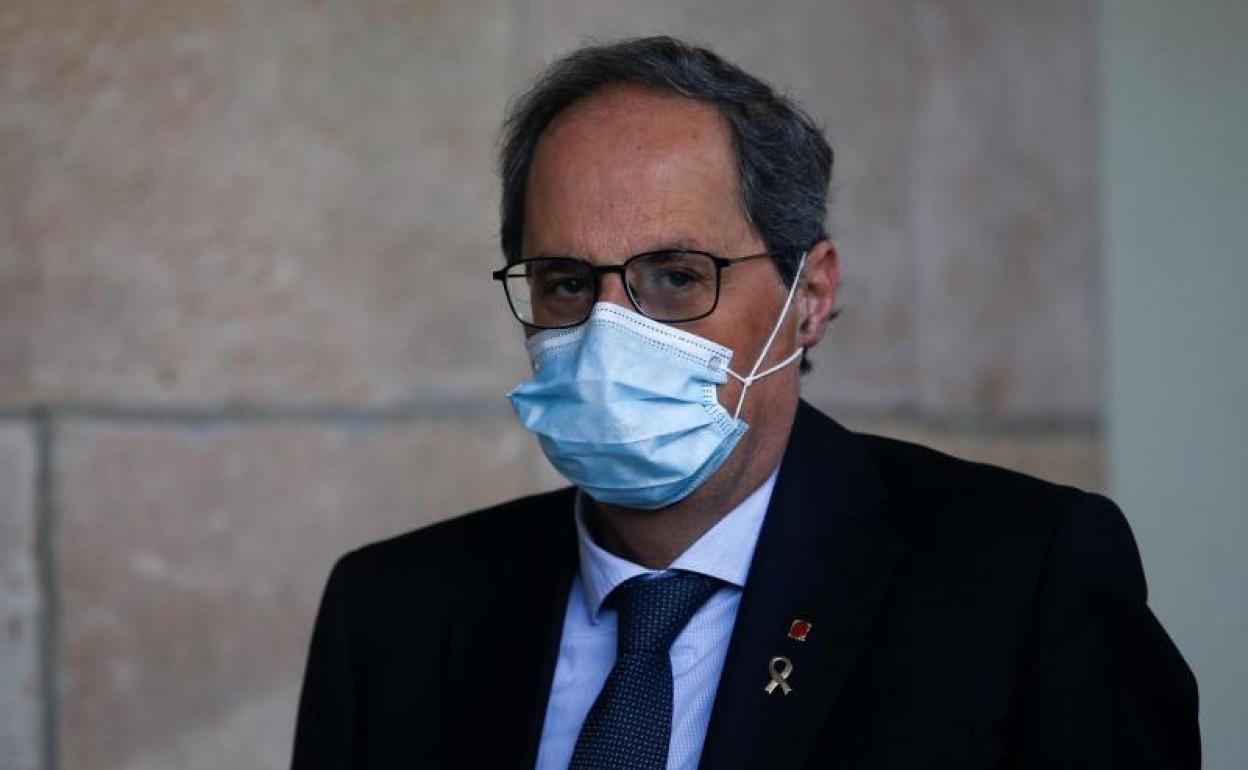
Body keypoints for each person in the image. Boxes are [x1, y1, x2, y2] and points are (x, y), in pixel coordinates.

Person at [291, 36, 1199, 769]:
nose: (609, 333)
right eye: (566, 282)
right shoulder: (392, 616)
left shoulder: (1019, 579)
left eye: (676, 276)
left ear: (810, 296)